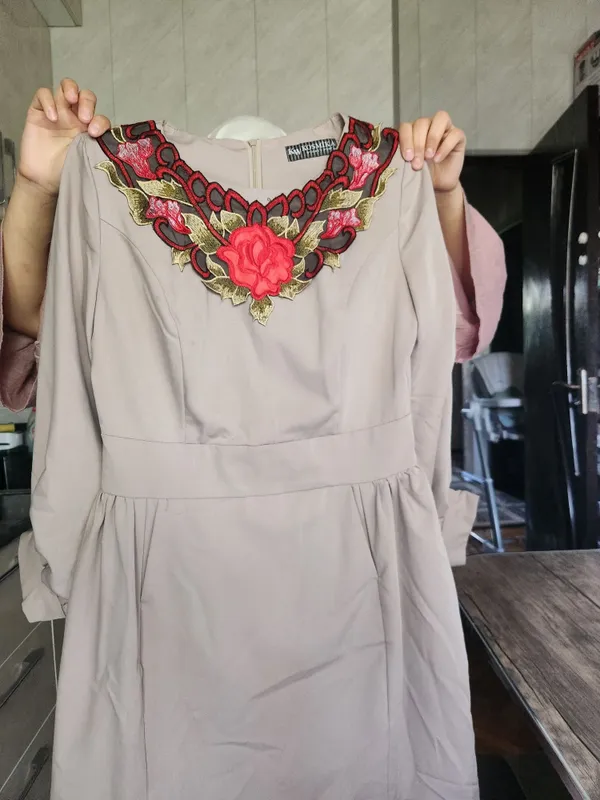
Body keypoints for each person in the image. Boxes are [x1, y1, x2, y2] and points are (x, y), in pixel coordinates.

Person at [0, 80, 505, 411]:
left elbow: (458, 332)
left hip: (333, 530)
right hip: (184, 535)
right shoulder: (130, 228)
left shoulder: (376, 209)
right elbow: (35, 349)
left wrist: (439, 194)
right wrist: (38, 185)